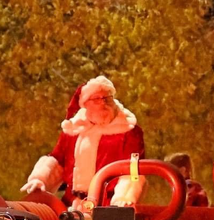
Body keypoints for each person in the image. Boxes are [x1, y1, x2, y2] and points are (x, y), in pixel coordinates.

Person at [21, 76, 145, 212]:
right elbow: (58, 160)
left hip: (108, 207)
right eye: (97, 99)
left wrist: (123, 199)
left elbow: (133, 171)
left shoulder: (128, 130)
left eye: (107, 98)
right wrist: (41, 179)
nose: (103, 103)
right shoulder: (74, 129)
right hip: (73, 206)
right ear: (86, 103)